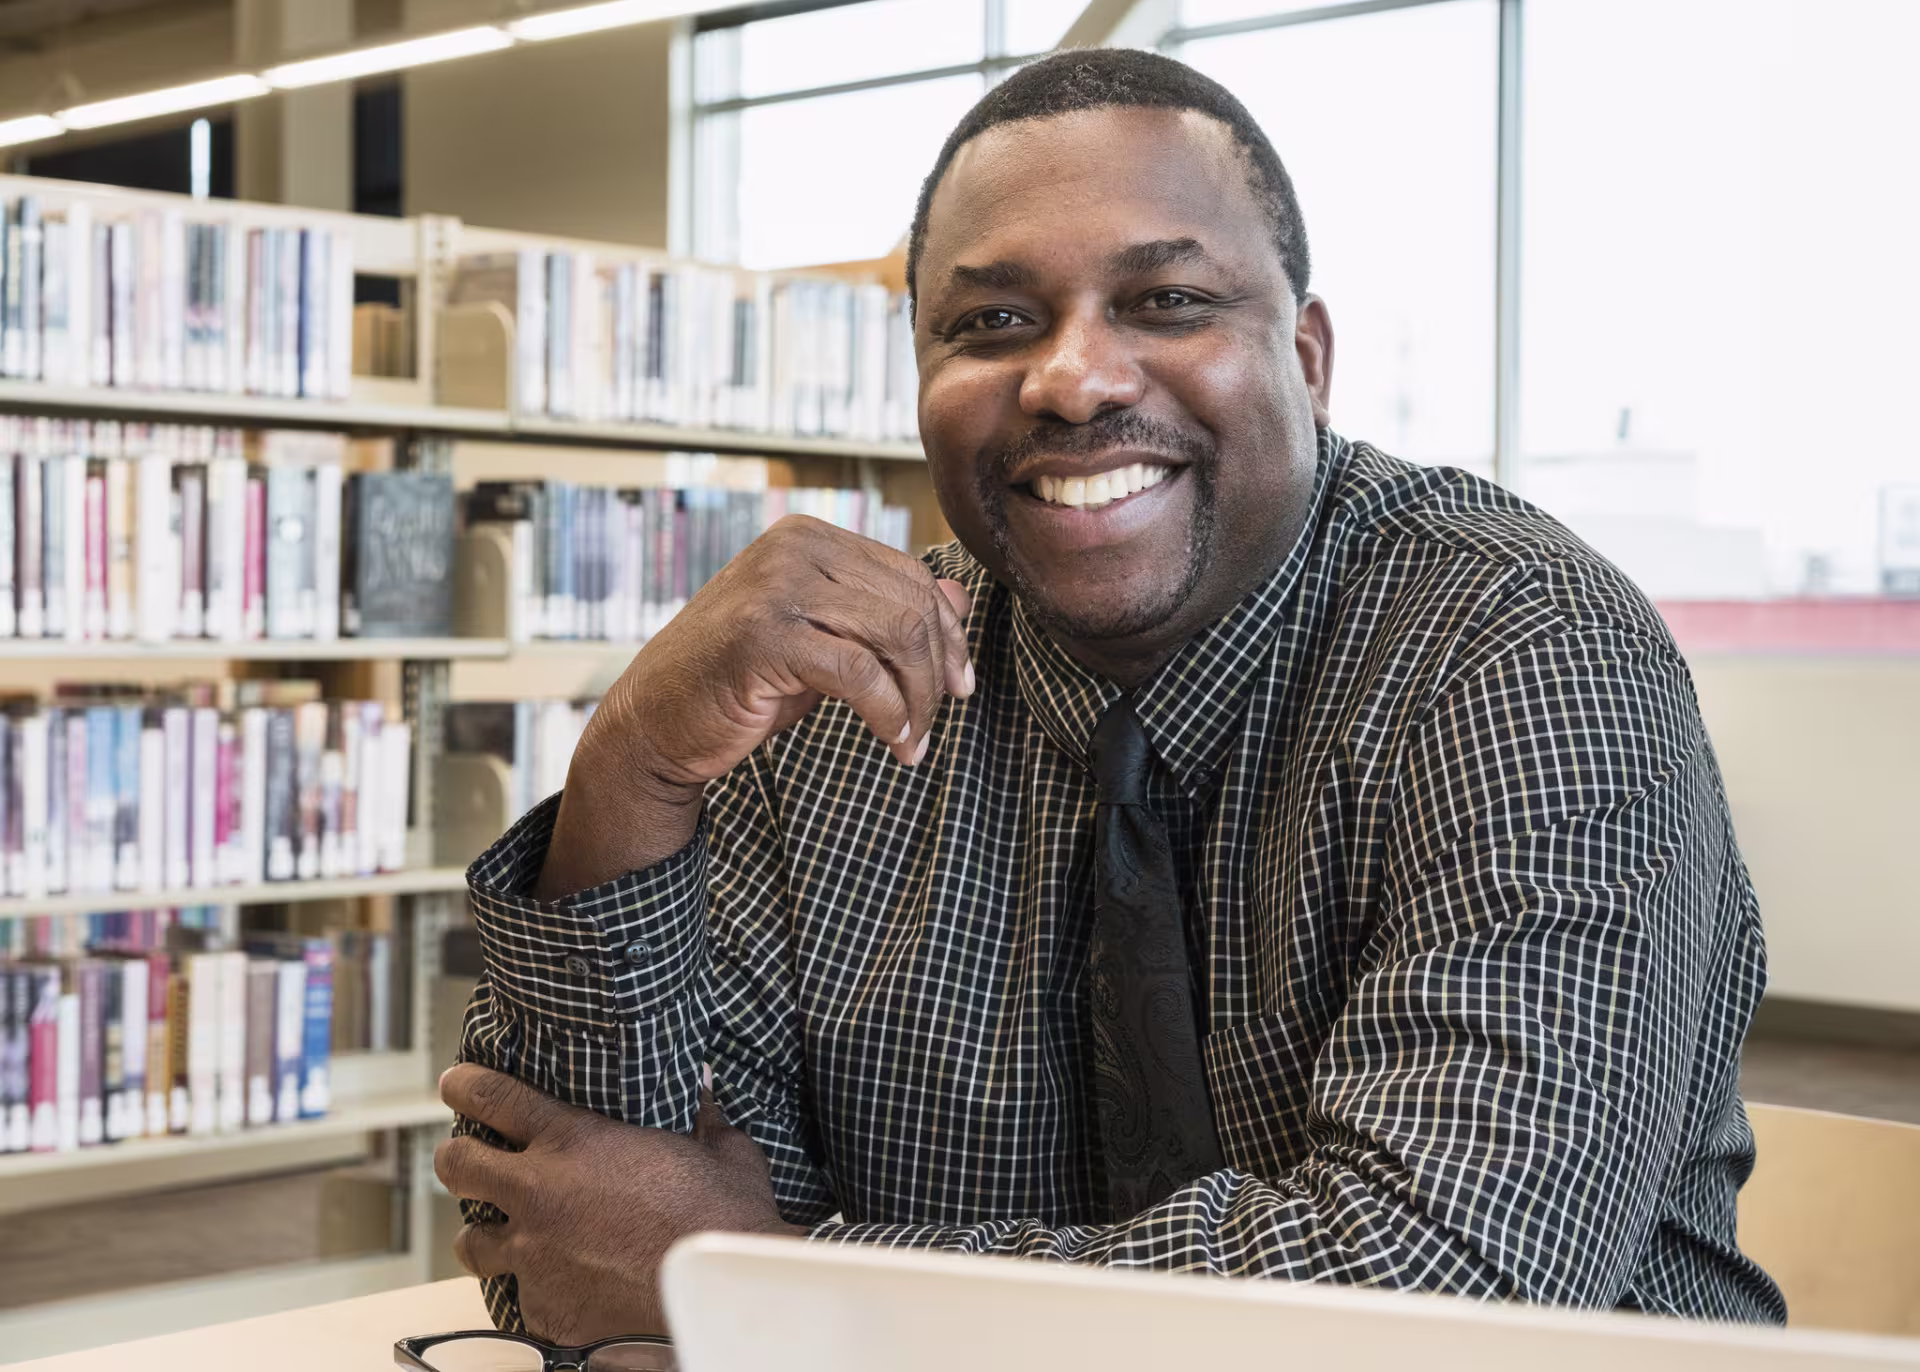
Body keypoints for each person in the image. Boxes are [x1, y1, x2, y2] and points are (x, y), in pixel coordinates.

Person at [432, 48, 1787, 1342]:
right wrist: (631, 769)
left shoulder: (1518, 653)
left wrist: (772, 1283)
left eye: (1168, 302)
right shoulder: (843, 691)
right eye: (992, 322)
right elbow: (576, 1255)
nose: (1072, 379)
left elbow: (1429, 1300)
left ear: (1308, 362)